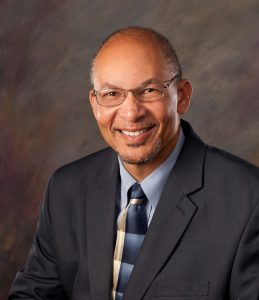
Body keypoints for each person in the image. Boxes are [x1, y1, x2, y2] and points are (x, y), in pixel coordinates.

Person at [8, 26, 259, 300]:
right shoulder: (66, 189)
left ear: (182, 96)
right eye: (112, 94)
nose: (131, 112)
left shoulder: (248, 201)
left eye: (149, 90)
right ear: (95, 104)